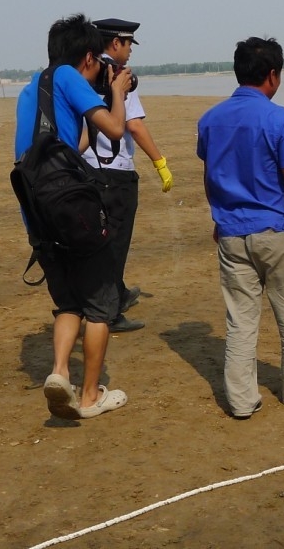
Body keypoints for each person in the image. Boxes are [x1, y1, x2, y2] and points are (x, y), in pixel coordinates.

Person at [197, 36, 284, 420]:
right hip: (276, 232)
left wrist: (218, 217)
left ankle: (242, 401)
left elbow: (211, 176)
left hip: (232, 232)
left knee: (240, 320)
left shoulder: (211, 119)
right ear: (272, 75)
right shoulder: (280, 119)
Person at [14, 14, 133, 419]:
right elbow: (117, 130)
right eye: (98, 61)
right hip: (73, 213)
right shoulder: (68, 77)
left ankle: (60, 372)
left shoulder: (32, 88)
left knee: (67, 303)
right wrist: (116, 90)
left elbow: (73, 144)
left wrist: (92, 109)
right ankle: (88, 397)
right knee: (100, 305)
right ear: (87, 56)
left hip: (38, 214)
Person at [81, 18, 174, 333]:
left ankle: (114, 293)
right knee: (115, 243)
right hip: (115, 171)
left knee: (98, 241)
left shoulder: (85, 73)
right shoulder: (118, 77)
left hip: (88, 168)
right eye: (129, 43)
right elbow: (134, 124)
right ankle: (110, 313)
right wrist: (159, 161)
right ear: (116, 43)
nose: (131, 50)